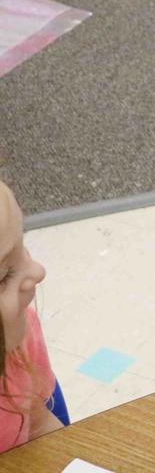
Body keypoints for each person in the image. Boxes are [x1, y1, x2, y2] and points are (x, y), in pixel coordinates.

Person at [0, 181, 61, 452]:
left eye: (23, 247)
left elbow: (41, 428)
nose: (37, 271)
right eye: (4, 275)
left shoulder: (19, 342)